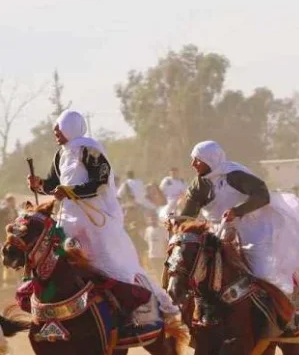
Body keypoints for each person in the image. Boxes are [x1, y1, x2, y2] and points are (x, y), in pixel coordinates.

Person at [27, 110, 184, 331]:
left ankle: (141, 309)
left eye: (58, 127)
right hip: (67, 218)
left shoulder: (89, 149)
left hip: (94, 219)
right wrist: (39, 184)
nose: (55, 131)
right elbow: (54, 184)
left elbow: (99, 182)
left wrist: (70, 191)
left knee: (108, 263)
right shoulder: (60, 155)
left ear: (70, 126)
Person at [176, 140, 299, 334]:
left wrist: (238, 211)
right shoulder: (197, 184)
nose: (193, 164)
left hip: (251, 228)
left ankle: (286, 316)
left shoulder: (234, 175)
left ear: (211, 160)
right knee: (188, 267)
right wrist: (178, 222)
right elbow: (189, 213)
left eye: (197, 160)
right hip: (216, 232)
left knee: (263, 271)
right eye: (193, 160)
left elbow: (262, 195)